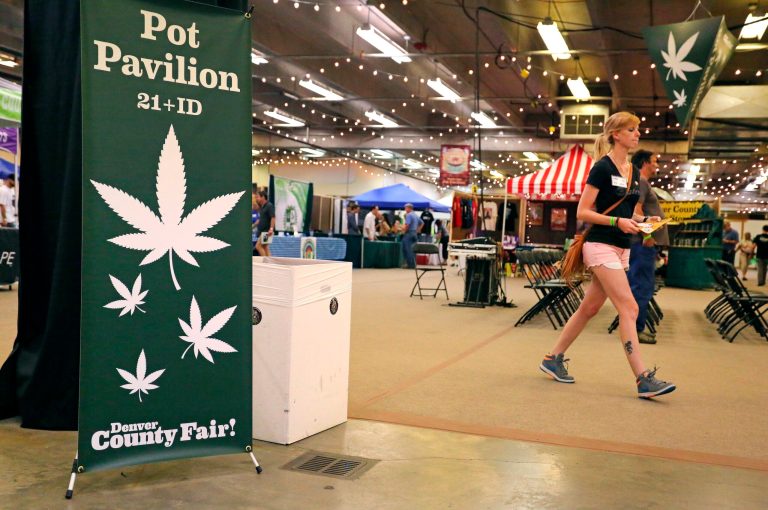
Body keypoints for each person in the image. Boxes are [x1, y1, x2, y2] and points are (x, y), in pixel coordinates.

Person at [539, 111, 676, 399]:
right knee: (630, 308)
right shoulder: (601, 168)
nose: (637, 134)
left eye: (637, 129)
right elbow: (584, 211)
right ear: (616, 135)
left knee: (588, 309)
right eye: (631, 129)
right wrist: (617, 222)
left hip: (622, 247)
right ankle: (642, 378)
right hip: (600, 245)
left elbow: (629, 211)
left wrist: (642, 222)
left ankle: (553, 358)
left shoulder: (633, 172)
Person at [627, 149, 668, 345]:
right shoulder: (640, 182)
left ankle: (634, 327)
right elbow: (637, 209)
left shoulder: (639, 182)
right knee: (641, 286)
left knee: (641, 285)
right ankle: (636, 329)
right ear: (644, 163)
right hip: (642, 243)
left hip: (640, 244)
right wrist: (648, 234)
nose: (656, 165)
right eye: (654, 161)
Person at [401, 203, 423, 269]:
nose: (405, 209)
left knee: (407, 249)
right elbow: (422, 223)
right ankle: (413, 264)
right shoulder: (415, 215)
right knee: (413, 249)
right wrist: (417, 230)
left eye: (406, 208)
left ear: (409, 208)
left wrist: (404, 231)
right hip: (414, 234)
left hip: (409, 233)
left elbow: (407, 225)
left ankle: (409, 264)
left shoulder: (409, 215)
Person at [254, 190, 275, 256]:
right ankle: (270, 263)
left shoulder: (269, 206)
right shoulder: (262, 207)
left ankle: (265, 263)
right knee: (265, 247)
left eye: (258, 197)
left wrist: (271, 229)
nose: (256, 199)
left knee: (258, 246)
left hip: (267, 231)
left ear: (263, 197)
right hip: (263, 231)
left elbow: (273, 217)